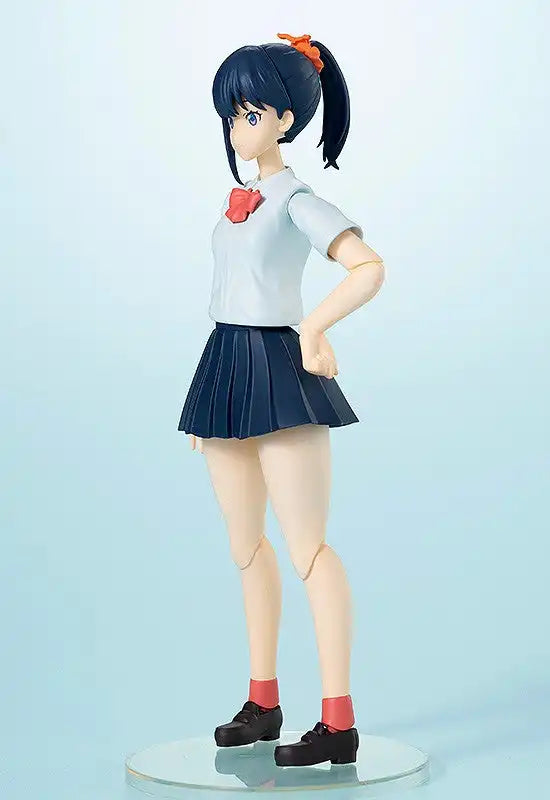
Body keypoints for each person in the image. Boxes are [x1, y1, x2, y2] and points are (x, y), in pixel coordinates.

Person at [178, 32, 385, 768]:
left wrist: (315, 328)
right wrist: (210, 400)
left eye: (252, 114)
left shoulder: (297, 199)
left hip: (278, 365)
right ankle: (262, 700)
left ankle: (338, 718)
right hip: (224, 366)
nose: (238, 129)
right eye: (231, 115)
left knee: (308, 548)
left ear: (286, 120)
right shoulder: (241, 201)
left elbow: (367, 266)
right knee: (245, 547)